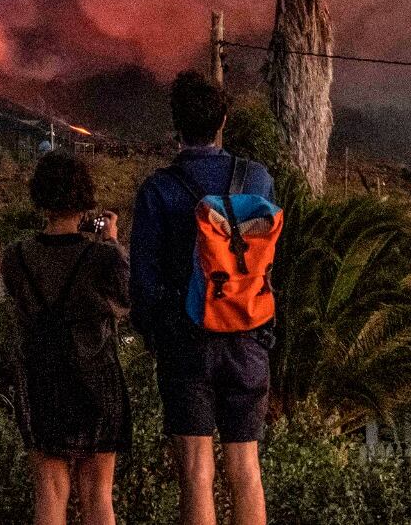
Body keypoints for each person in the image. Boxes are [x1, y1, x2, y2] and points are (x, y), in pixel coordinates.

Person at [130, 72, 276, 525]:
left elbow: (143, 284)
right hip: (247, 334)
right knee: (246, 469)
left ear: (175, 126)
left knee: (196, 471)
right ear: (224, 121)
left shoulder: (159, 190)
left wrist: (159, 335)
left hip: (185, 341)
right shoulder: (258, 178)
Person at [3, 150, 131, 525]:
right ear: (84, 200)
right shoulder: (100, 256)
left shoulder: (17, 257)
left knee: (50, 492)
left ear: (40, 198)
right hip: (97, 380)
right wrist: (110, 242)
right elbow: (127, 296)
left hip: (42, 380)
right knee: (98, 497)